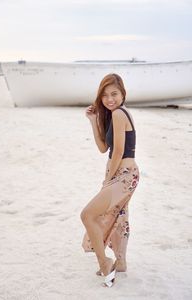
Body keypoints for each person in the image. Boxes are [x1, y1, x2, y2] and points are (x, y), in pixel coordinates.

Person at [80, 73, 140, 287]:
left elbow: (118, 153)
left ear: (123, 93)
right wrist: (94, 120)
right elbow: (103, 148)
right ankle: (121, 262)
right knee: (118, 217)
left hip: (122, 174)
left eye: (114, 93)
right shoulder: (116, 115)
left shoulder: (119, 114)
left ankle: (105, 262)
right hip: (124, 174)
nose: (109, 99)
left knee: (88, 215)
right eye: (104, 95)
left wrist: (108, 181)